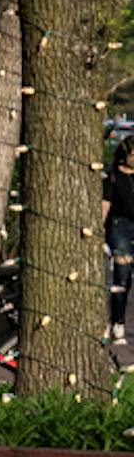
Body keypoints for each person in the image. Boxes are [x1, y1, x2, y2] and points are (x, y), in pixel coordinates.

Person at [103, 132, 134, 346]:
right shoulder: (113, 177)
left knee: (129, 280)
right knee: (121, 276)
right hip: (119, 226)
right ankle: (117, 322)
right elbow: (105, 204)